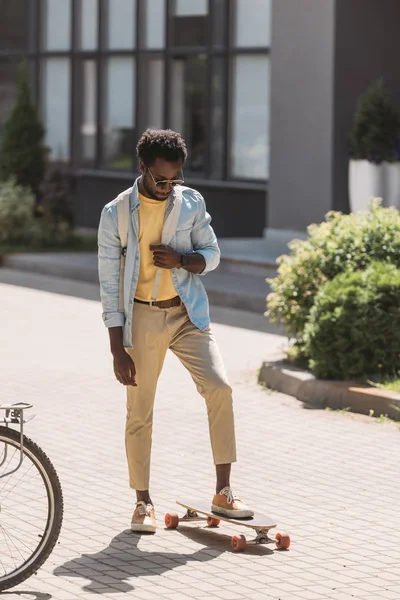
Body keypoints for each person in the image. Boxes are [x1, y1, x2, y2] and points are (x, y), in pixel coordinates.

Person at [98, 129, 253, 533]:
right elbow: (109, 285)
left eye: (175, 179)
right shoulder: (116, 213)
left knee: (220, 388)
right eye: (161, 179)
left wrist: (183, 259)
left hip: (187, 315)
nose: (168, 187)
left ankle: (224, 491)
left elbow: (213, 255)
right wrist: (118, 348)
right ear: (143, 168)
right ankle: (142, 503)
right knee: (140, 411)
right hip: (142, 318)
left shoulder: (191, 203)